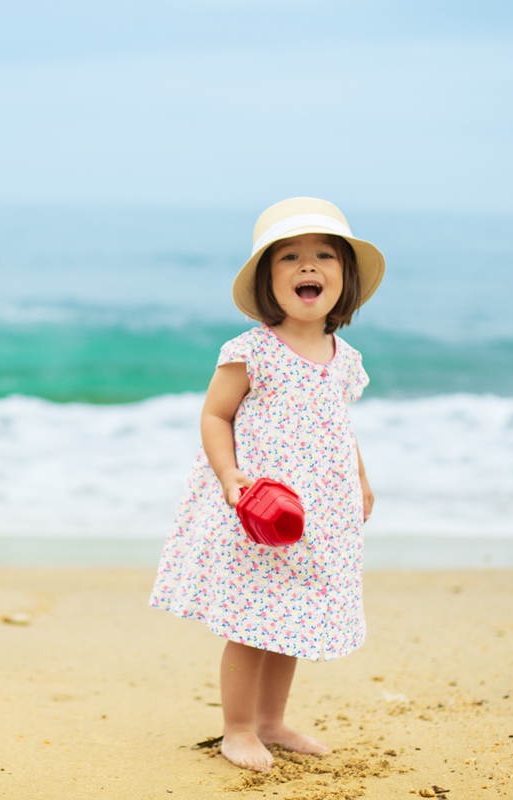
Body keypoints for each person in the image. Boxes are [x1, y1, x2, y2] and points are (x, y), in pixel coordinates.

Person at [149, 197, 385, 772]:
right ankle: (237, 729)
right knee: (252, 623)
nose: (309, 266)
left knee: (292, 621)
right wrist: (230, 477)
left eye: (324, 255)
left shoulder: (344, 357)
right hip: (258, 508)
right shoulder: (252, 350)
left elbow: (339, 423)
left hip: (317, 513)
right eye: (290, 258)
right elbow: (215, 416)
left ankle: (272, 722)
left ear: (345, 278)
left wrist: (359, 476)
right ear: (267, 281)